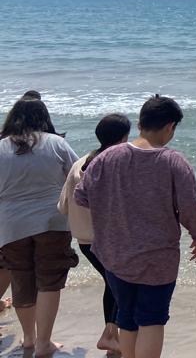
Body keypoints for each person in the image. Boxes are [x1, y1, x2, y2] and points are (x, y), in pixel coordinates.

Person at [76, 95, 196, 358]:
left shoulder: (107, 157)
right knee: (152, 319)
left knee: (127, 317)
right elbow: (190, 208)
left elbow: (82, 196)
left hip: (114, 254)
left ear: (140, 124)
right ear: (170, 127)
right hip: (157, 259)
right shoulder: (174, 162)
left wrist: (115, 209)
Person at [0, 98, 80, 357]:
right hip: (52, 222)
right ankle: (44, 343)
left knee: (21, 280)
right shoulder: (56, 143)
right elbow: (78, 176)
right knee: (49, 281)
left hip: (11, 225)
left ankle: (29, 339)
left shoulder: (1, 147)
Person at [58, 113, 131, 356]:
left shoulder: (80, 162)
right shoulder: (119, 163)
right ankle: (111, 336)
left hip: (84, 241)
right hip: (110, 240)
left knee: (113, 283)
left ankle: (113, 338)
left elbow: (63, 206)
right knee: (120, 284)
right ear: (124, 138)